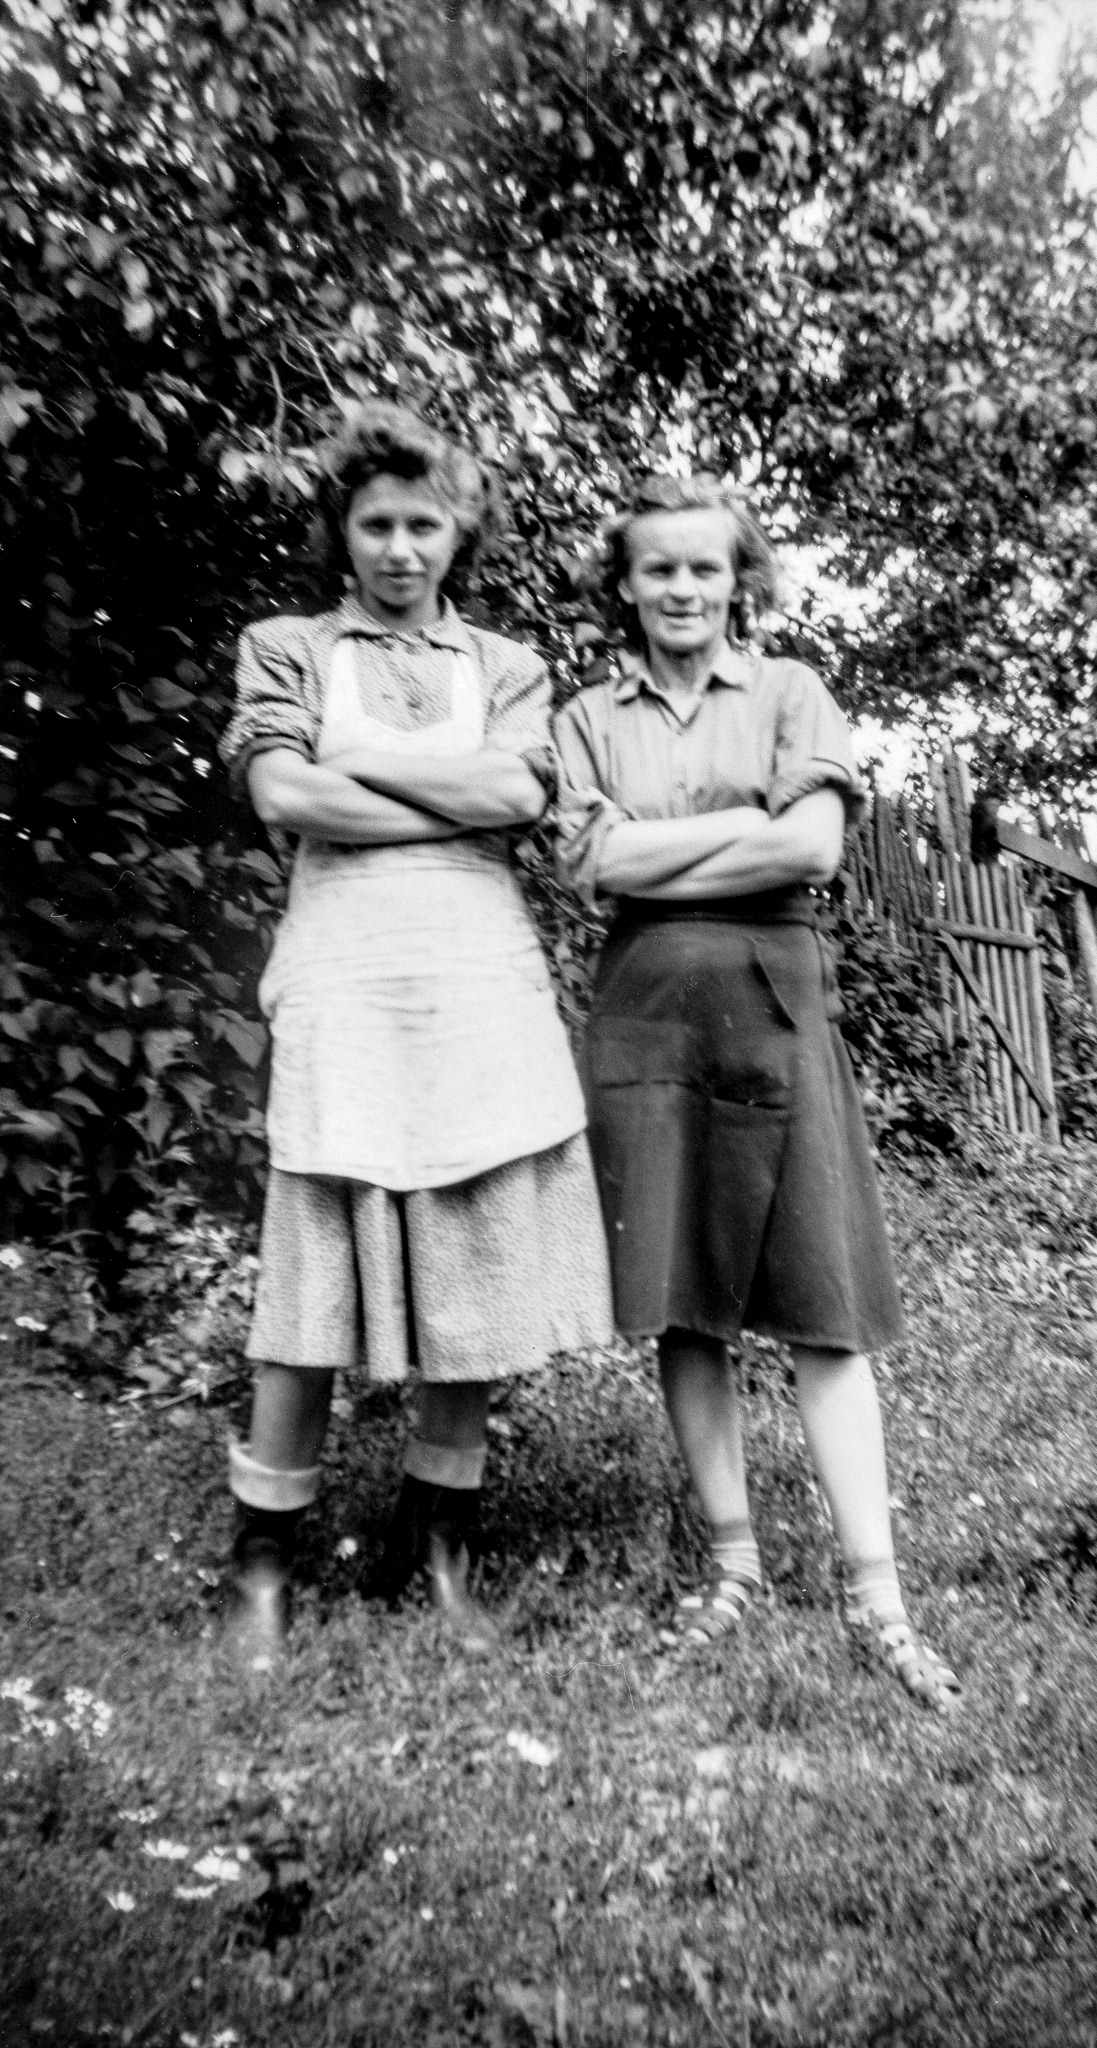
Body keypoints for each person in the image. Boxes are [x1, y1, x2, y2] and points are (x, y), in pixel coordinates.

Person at [553, 473, 960, 1713]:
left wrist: (651, 854)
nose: (681, 588)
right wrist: (737, 828)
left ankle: (876, 1593)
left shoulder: (791, 691)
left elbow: (812, 847)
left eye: (704, 567)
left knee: (821, 1303)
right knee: (684, 1303)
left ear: (741, 582)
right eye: (657, 567)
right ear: (624, 584)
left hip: (774, 1003)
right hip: (644, 1015)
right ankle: (731, 1564)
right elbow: (588, 865)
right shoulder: (584, 717)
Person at [217, 401, 611, 1668]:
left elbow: (515, 791)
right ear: (341, 530)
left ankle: (434, 1543)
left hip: (479, 982)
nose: (398, 547)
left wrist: (354, 762)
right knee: (309, 1276)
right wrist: (442, 797)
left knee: (476, 1265)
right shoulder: (286, 646)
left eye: (423, 526)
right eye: (376, 523)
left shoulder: (505, 665)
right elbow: (282, 790)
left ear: (458, 537)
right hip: (343, 977)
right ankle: (260, 1563)